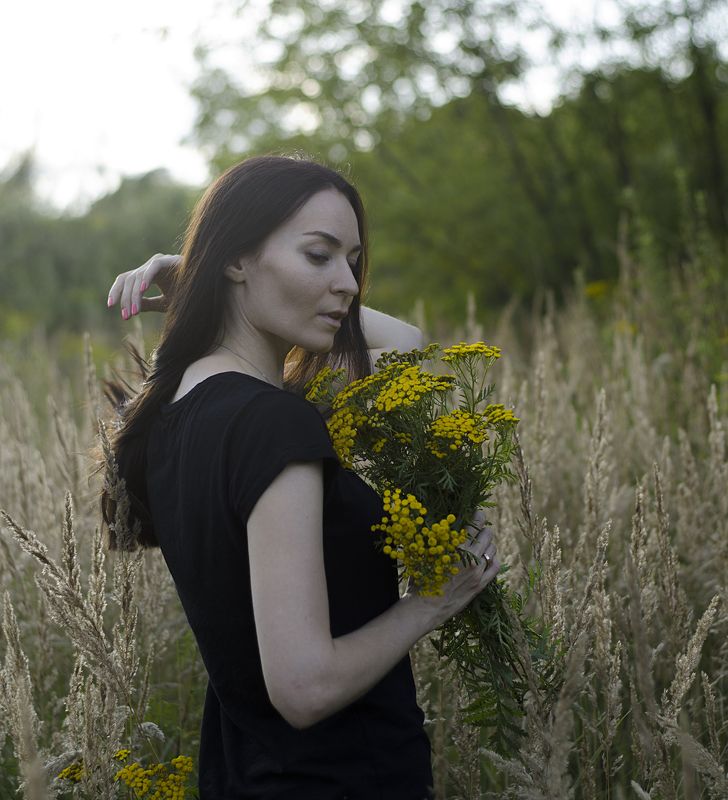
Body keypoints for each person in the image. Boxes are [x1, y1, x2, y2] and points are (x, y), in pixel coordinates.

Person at [103, 154, 500, 800]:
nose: (347, 284)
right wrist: (437, 598)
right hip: (341, 779)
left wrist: (197, 275)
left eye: (352, 261)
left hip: (242, 777)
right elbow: (304, 686)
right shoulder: (274, 424)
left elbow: (409, 347)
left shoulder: (177, 413)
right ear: (237, 257)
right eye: (319, 256)